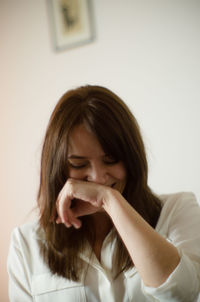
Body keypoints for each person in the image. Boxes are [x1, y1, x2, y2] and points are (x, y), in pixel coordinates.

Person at [7, 85, 200, 302]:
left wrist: (110, 200)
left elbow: (182, 293)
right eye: (78, 164)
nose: (98, 178)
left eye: (111, 160)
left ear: (131, 159)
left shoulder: (178, 209)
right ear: (58, 167)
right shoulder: (26, 242)